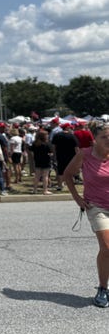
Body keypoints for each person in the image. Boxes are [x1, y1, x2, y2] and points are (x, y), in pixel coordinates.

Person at [62, 121, 109, 308]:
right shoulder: (85, 155)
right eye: (104, 136)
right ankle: (103, 288)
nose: (108, 140)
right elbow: (67, 175)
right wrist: (77, 199)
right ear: (94, 139)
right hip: (97, 207)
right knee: (107, 247)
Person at [51, 123, 79, 191]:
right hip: (71, 156)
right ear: (67, 128)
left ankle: (60, 185)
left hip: (60, 155)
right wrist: (77, 156)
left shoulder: (57, 135)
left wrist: (54, 155)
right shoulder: (72, 136)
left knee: (60, 171)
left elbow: (53, 147)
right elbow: (76, 147)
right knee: (70, 171)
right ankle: (70, 186)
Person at [29, 130, 53, 195]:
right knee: (45, 176)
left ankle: (34, 189)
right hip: (46, 160)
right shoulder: (47, 144)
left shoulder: (35, 143)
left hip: (37, 160)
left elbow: (31, 150)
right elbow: (51, 152)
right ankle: (45, 190)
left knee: (37, 176)